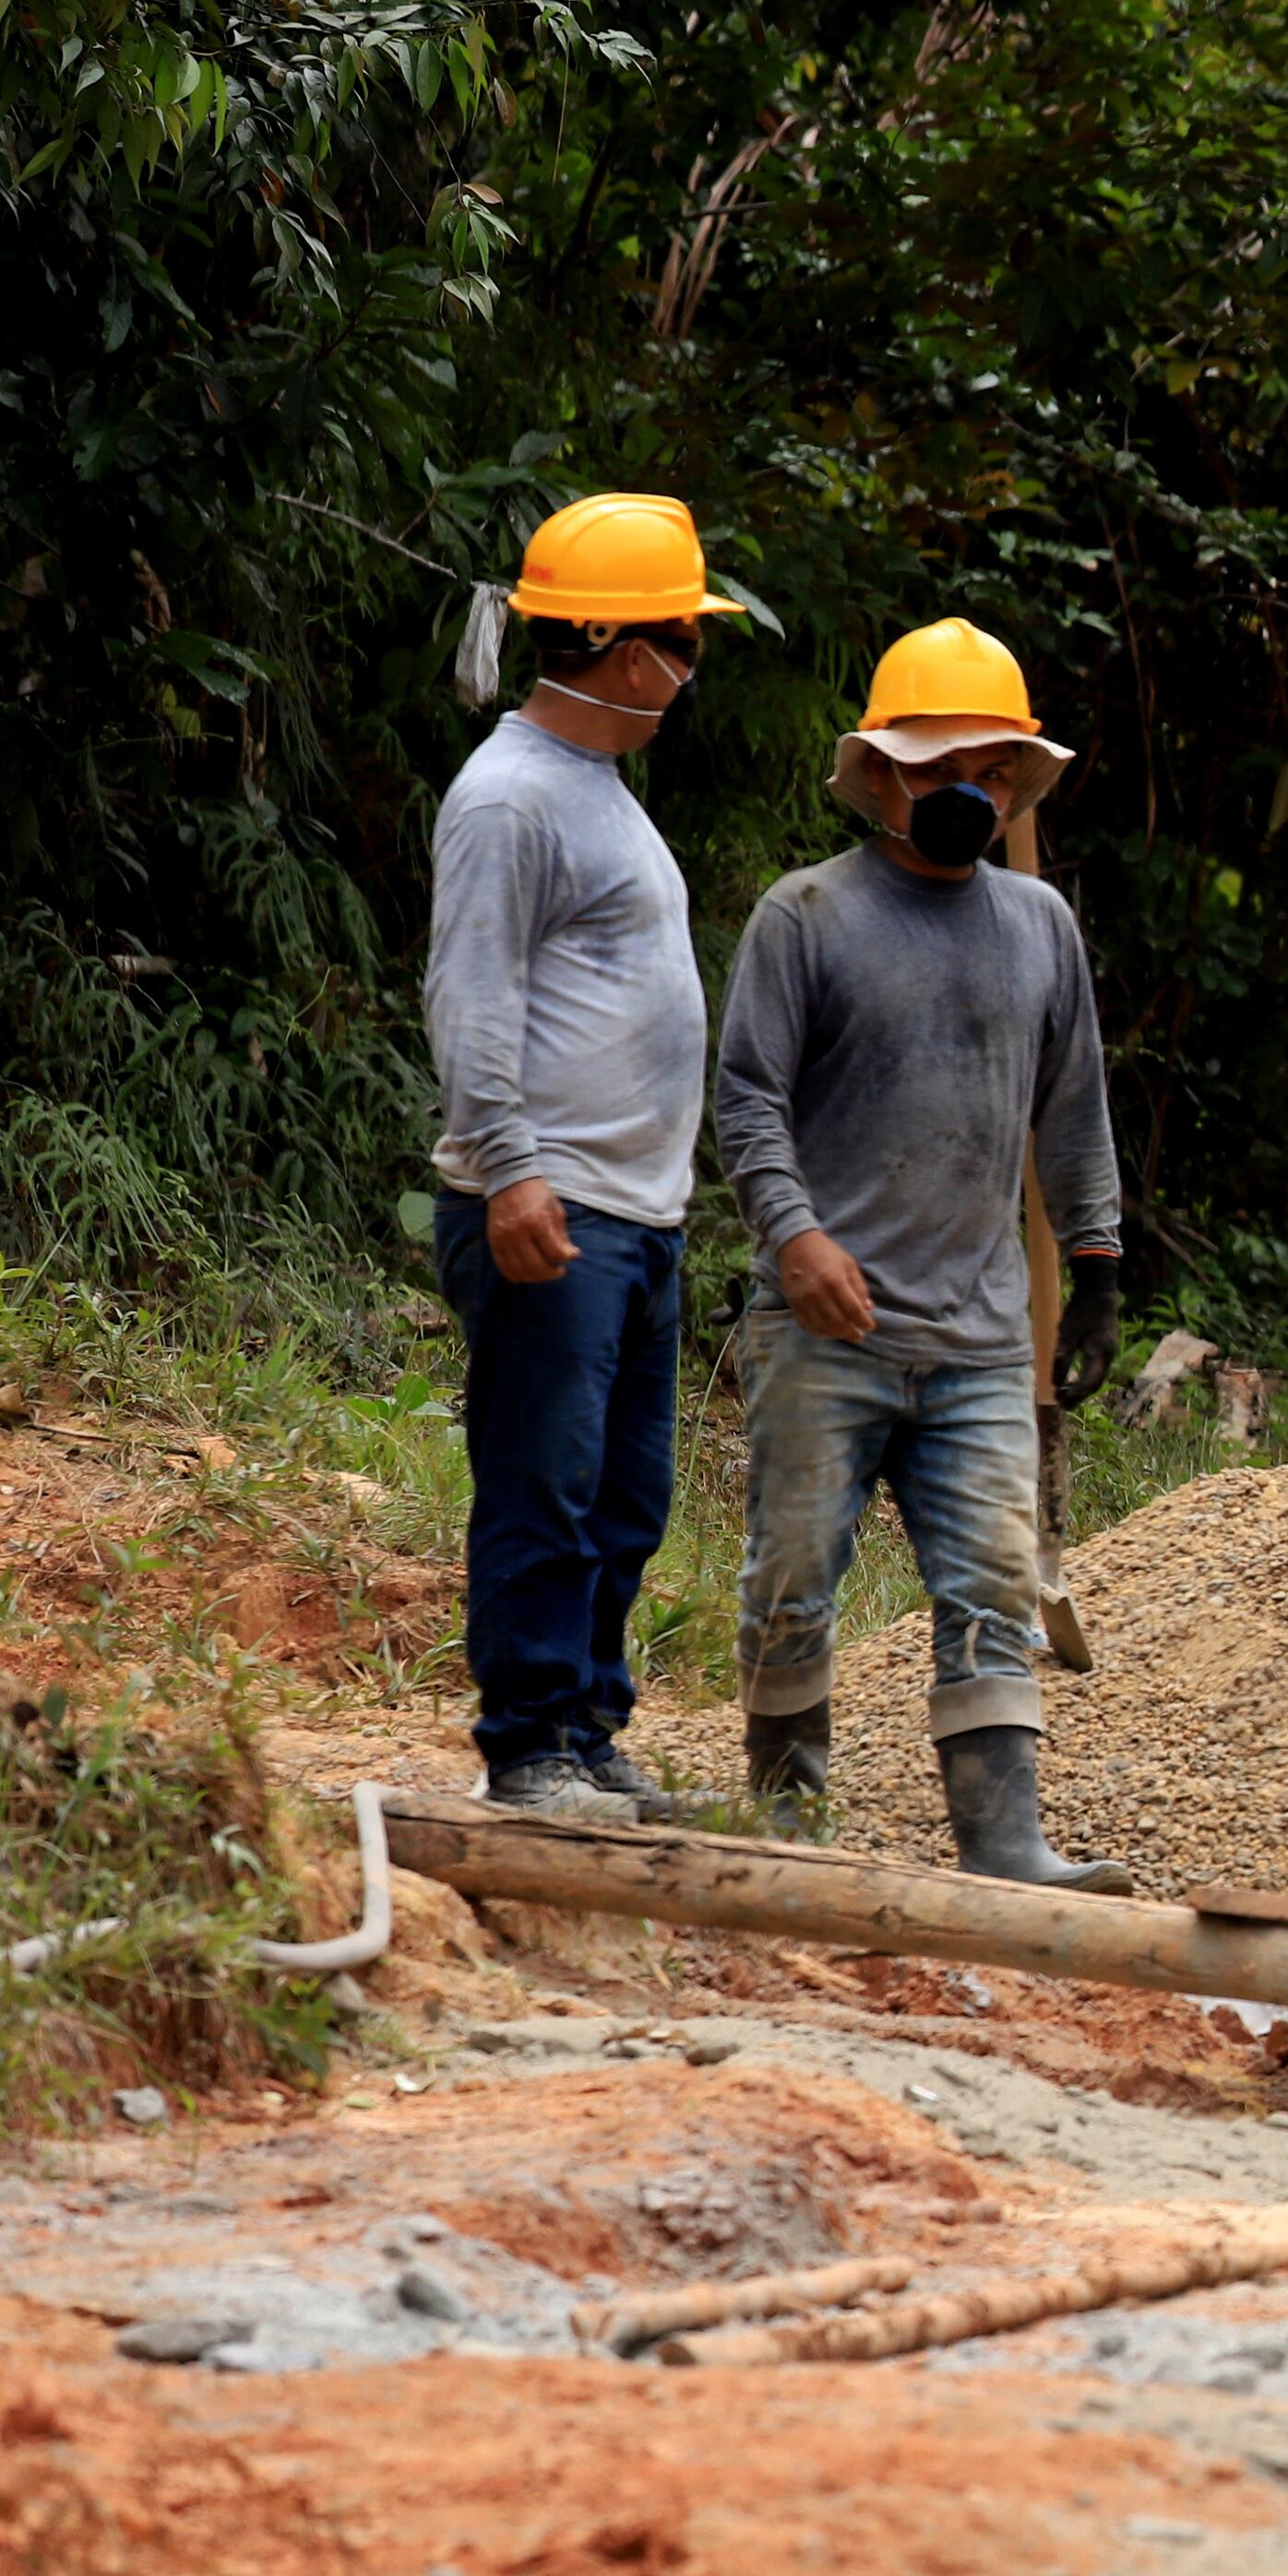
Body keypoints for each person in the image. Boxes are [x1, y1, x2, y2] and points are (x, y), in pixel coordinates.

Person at [711, 619, 1130, 1887]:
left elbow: (1075, 1109)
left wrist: (1099, 1265)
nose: (971, 790)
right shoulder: (808, 917)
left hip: (982, 1337)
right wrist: (796, 1239)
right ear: (882, 775)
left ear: (1016, 782)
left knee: (996, 1581)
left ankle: (1006, 1844)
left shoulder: (1039, 925)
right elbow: (745, 1100)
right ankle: (786, 1829)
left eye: (994, 772)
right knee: (792, 1569)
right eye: (942, 765)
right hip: (823, 1326)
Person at [423, 494, 750, 1823]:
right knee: (544, 1482)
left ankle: (586, 1719)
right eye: (691, 643)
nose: (691, 673)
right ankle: (528, 1742)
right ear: (632, 653)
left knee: (624, 1492)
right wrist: (509, 1168)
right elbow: (473, 992)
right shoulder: (508, 798)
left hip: (634, 1213)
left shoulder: (593, 790)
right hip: (553, 1202)